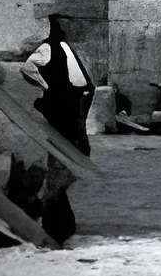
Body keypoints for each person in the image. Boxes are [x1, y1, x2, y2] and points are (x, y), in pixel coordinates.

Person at [6, 17, 95, 244]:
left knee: (66, 159)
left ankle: (57, 218)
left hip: (68, 108)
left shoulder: (57, 47)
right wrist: (47, 87)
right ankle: (57, 221)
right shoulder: (54, 47)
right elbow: (28, 68)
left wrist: (48, 87)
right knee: (62, 160)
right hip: (66, 108)